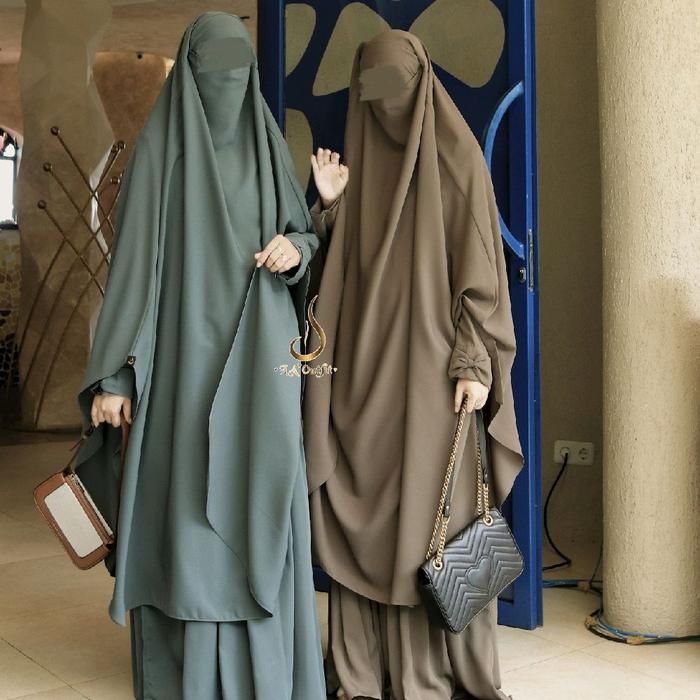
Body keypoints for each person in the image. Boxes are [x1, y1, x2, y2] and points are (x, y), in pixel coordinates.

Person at [75, 13, 325, 700]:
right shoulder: (162, 156)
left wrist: (296, 249)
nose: (228, 83)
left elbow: (303, 237)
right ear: (188, 74)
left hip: (258, 363)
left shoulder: (267, 149)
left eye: (240, 71)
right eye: (216, 71)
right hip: (181, 365)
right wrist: (117, 374)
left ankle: (266, 673)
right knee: (185, 510)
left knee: (260, 490)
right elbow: (134, 272)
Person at [304, 30, 523, 700]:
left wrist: (474, 362)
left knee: (437, 520)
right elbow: (334, 275)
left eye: (397, 89)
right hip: (357, 382)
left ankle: (432, 673)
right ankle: (360, 673)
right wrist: (329, 206)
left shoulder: (456, 159)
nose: (386, 106)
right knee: (359, 515)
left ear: (422, 85)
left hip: (434, 379)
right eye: (373, 92)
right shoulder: (358, 167)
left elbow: (481, 272)